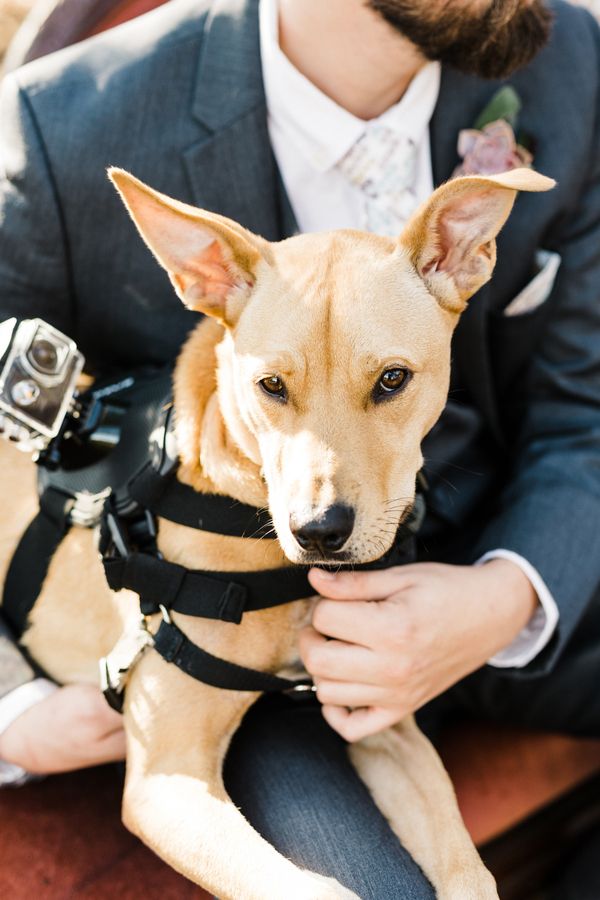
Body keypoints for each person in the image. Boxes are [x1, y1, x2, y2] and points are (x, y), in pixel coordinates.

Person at [0, 0, 599, 895]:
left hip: (495, 565)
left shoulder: (565, 54)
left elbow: (585, 406)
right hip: (234, 610)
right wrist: (10, 705)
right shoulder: (63, 126)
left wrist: (505, 597)